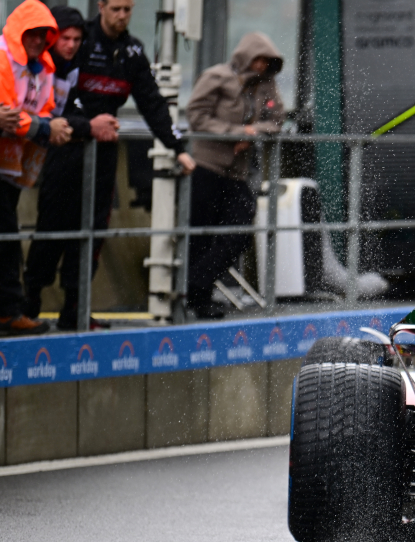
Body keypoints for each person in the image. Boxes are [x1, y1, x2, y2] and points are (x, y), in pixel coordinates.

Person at [21, 0, 195, 331]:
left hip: (103, 155)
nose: (122, 16)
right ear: (100, 6)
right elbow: (52, 99)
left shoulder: (131, 52)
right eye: (115, 8)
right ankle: (30, 305)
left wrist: (176, 148)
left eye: (128, 9)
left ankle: (76, 309)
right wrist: (87, 124)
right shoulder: (77, 40)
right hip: (66, 149)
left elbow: (152, 102)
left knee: (92, 232)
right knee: (51, 230)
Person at [185, 32, 284, 319]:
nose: (262, 65)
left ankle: (196, 283)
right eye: (258, 59)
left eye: (267, 61)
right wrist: (234, 134)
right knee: (199, 233)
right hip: (207, 165)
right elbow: (196, 114)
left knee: (239, 228)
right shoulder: (216, 77)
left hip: (238, 172)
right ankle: (199, 298)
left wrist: (253, 134)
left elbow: (276, 119)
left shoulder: (267, 85)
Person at [0, 0, 70, 336]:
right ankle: (9, 311)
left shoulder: (42, 69)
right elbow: (10, 116)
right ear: (19, 32)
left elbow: (41, 111)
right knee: (7, 238)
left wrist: (48, 125)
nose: (40, 40)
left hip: (10, 167)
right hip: (6, 163)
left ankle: (8, 311)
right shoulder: (3, 59)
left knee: (7, 237)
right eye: (33, 33)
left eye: (45, 35)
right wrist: (45, 128)